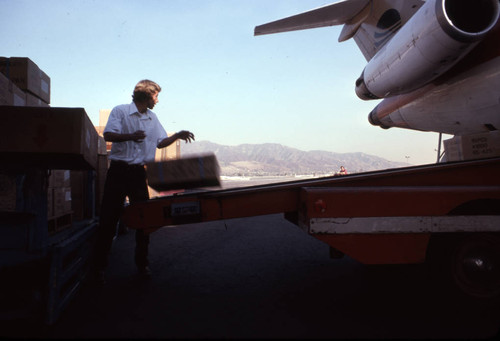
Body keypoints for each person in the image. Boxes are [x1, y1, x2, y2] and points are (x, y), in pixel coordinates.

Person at [93, 79, 194, 284]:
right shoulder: (120, 111)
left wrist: (177, 136)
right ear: (146, 96)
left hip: (138, 174)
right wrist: (130, 136)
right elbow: (108, 135)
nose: (157, 100)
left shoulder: (152, 118)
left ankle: (142, 264)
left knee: (143, 219)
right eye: (155, 96)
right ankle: (99, 268)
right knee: (108, 220)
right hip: (119, 172)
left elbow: (160, 142)